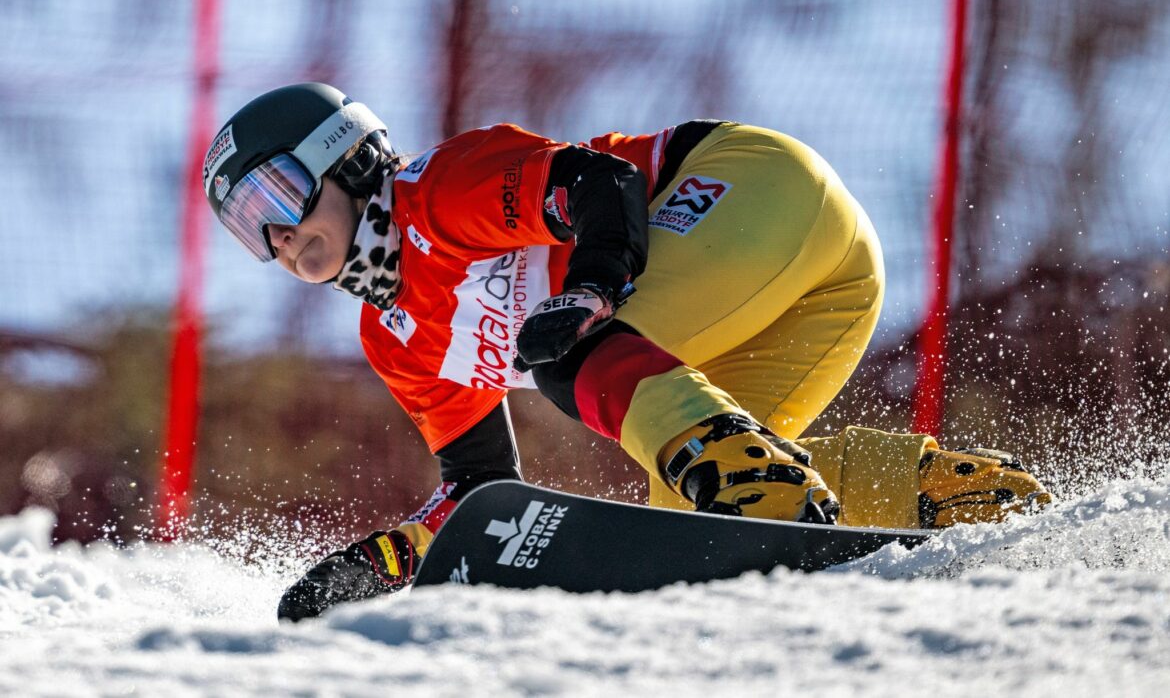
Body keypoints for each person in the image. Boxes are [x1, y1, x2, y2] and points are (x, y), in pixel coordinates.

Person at [203, 83, 1051, 620]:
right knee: (684, 513)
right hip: (822, 290)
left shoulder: (436, 190)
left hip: (755, 189)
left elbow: (598, 186)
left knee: (564, 349)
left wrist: (591, 290)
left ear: (344, 158)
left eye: (278, 192)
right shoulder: (394, 341)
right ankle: (931, 495)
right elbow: (484, 494)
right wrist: (392, 562)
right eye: (248, 224)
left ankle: (770, 494)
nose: (277, 236)